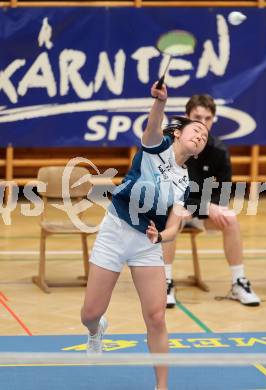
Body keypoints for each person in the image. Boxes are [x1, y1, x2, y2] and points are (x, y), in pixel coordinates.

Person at [80, 82, 208, 390]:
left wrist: (160, 236)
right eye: (195, 130)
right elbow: (153, 126)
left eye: (204, 137)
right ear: (178, 132)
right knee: (90, 313)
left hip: (146, 243)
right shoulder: (157, 146)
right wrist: (160, 103)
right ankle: (96, 331)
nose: (200, 136)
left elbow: (175, 225)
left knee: (156, 317)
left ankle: (161, 386)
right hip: (116, 230)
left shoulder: (186, 181)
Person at [163, 94, 261, 308]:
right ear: (187, 117)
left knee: (231, 219)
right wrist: (201, 205)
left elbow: (223, 194)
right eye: (197, 117)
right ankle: (166, 282)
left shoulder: (219, 150)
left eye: (207, 118)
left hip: (201, 212)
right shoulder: (171, 147)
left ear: (213, 120)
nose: (202, 123)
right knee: (174, 212)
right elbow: (168, 192)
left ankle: (238, 282)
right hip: (173, 211)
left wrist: (209, 207)